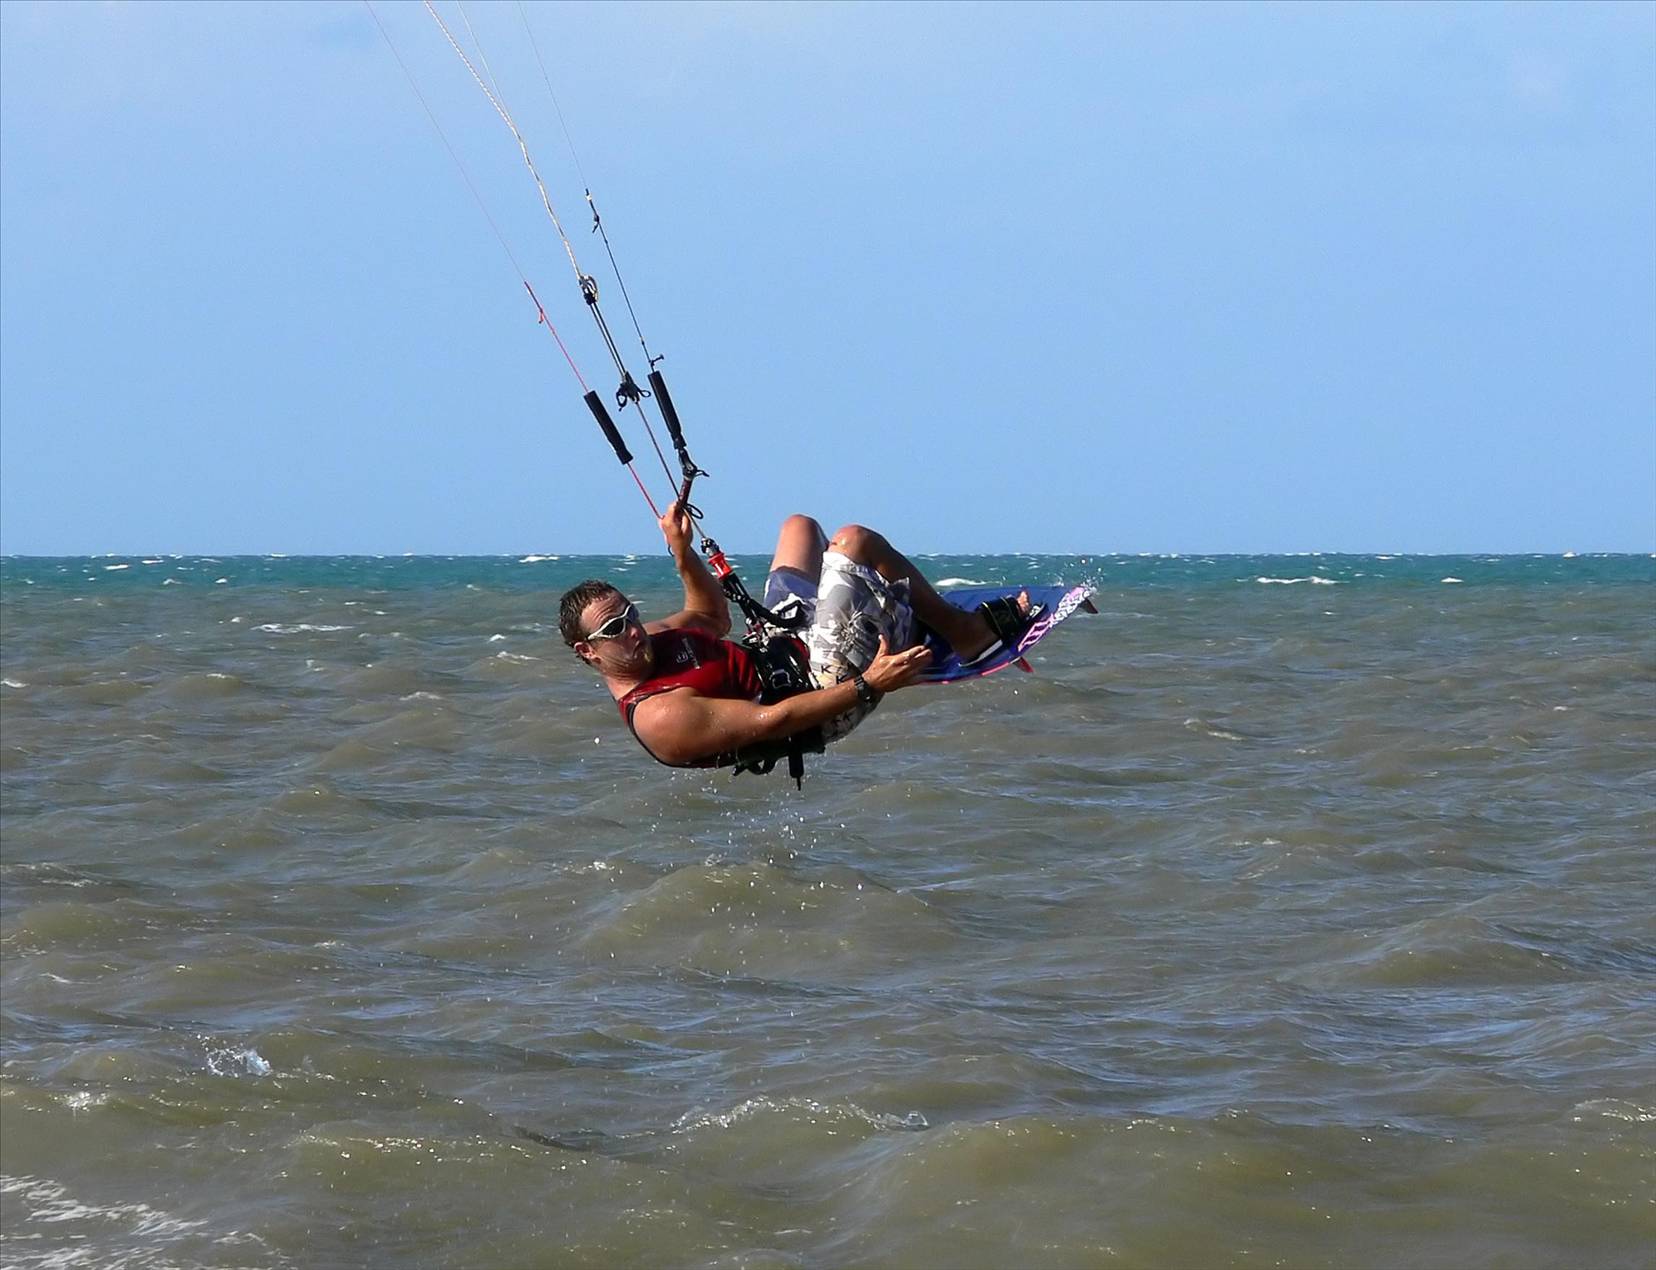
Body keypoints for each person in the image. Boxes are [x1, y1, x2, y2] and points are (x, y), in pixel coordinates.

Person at [559, 503, 1036, 771]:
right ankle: (966, 633)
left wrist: (683, 553)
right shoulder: (660, 716)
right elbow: (774, 720)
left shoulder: (649, 638)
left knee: (800, 527)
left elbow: (710, 616)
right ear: (588, 651)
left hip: (782, 644)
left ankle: (878, 610)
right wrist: (870, 683)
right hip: (818, 692)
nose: (634, 631)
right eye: (615, 629)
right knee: (854, 541)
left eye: (631, 614)